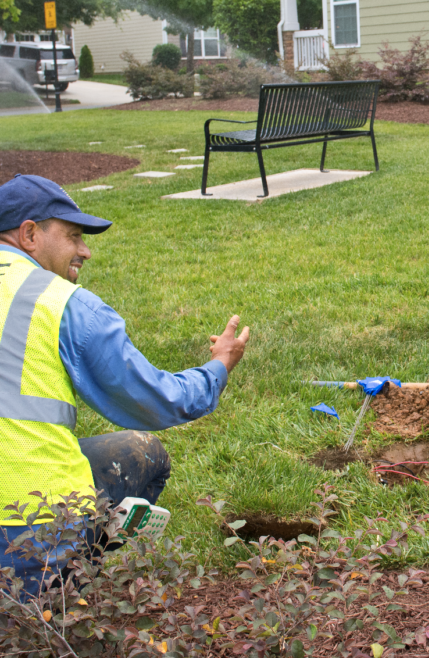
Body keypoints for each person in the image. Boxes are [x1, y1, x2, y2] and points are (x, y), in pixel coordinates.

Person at [0, 174, 250, 594]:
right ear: (29, 234)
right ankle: (73, 588)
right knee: (145, 454)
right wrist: (219, 365)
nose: (85, 250)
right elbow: (156, 400)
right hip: (27, 523)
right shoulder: (61, 303)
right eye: (74, 236)